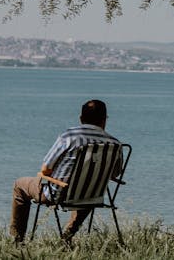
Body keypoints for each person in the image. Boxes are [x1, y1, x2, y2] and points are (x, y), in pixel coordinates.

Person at [9, 99, 121, 243]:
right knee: (86, 194)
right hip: (93, 196)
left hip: (58, 194)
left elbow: (45, 169)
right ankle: (66, 237)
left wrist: (51, 176)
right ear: (105, 119)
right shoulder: (115, 144)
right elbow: (115, 174)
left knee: (19, 185)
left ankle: (18, 239)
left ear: (81, 118)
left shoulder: (69, 136)